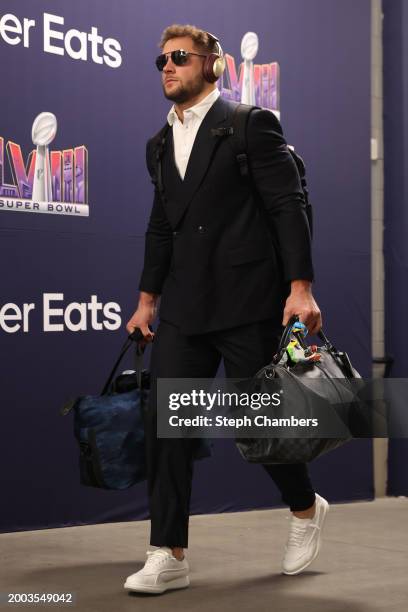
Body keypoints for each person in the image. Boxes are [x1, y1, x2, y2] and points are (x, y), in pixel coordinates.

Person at [124, 24, 328, 595]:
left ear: (213, 65)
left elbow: (289, 208)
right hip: (186, 308)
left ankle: (305, 508)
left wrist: (301, 288)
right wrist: (147, 301)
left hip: (248, 302)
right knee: (167, 429)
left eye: (180, 57)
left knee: (260, 424)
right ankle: (168, 551)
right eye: (161, 59)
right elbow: (161, 225)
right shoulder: (158, 144)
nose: (168, 66)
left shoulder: (249, 125)